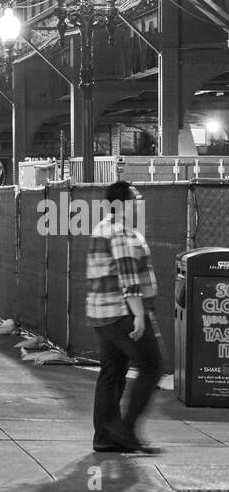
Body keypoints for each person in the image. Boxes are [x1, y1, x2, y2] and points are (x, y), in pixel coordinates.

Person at [87, 181, 163, 454]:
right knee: (152, 367)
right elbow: (129, 280)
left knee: (112, 372)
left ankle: (105, 436)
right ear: (122, 205)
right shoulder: (121, 233)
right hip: (122, 313)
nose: (139, 203)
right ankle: (127, 429)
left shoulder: (102, 228)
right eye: (135, 199)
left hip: (100, 313)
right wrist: (140, 316)